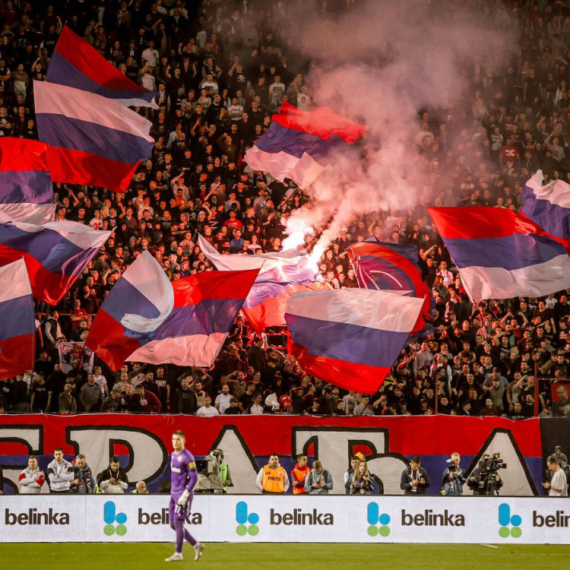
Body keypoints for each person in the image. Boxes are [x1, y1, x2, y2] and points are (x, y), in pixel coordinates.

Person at [165, 430, 204, 562]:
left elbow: (194, 478)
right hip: (173, 494)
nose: (175, 442)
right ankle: (196, 545)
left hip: (182, 494)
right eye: (173, 439)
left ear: (184, 441)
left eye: (178, 439)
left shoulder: (188, 457)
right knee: (173, 524)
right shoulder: (173, 455)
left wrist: (185, 494)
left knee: (178, 522)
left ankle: (178, 553)